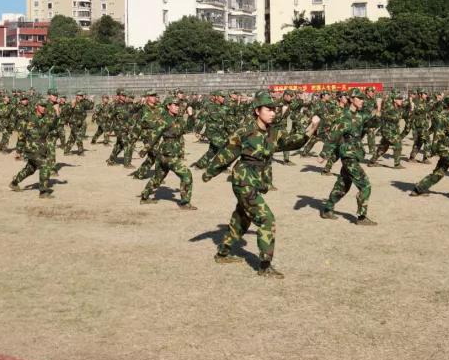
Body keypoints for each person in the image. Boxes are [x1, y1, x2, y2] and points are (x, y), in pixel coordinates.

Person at [202, 91, 320, 279]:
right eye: (268, 109)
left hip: (257, 181)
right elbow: (227, 153)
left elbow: (293, 142)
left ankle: (222, 253)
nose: (273, 113)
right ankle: (264, 266)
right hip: (244, 181)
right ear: (257, 111)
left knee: (241, 219)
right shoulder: (245, 131)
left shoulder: (275, 131)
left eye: (274, 109)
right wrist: (209, 172)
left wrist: (312, 127)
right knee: (267, 220)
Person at [318, 89, 379, 224]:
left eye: (364, 98)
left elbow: (374, 123)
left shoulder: (361, 115)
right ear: (352, 99)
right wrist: (323, 154)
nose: (363, 101)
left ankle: (327, 209)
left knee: (343, 184)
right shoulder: (344, 116)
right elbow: (333, 136)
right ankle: (361, 217)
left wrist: (378, 109)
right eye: (360, 98)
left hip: (355, 153)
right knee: (365, 185)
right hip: (348, 155)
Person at [140, 96, 195, 208]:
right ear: (168, 106)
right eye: (174, 105)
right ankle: (185, 203)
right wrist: (145, 149)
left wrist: (190, 116)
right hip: (168, 154)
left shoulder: (178, 119)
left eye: (178, 105)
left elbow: (188, 129)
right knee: (186, 174)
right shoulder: (163, 120)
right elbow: (155, 136)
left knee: (157, 178)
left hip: (170, 153)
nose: (177, 107)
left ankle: (144, 197)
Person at [10, 95, 62, 198]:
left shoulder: (45, 117)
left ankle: (14, 183)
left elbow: (54, 123)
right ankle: (43, 192)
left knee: (31, 168)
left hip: (42, 148)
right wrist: (19, 150)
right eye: (41, 106)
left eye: (45, 106)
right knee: (45, 165)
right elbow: (21, 135)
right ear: (36, 106)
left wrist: (56, 112)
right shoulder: (29, 119)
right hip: (32, 148)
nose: (44, 108)